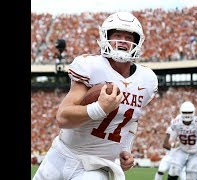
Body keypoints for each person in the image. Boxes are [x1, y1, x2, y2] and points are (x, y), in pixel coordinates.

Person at [33, 11, 158, 180]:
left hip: (97, 167)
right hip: (62, 155)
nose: (122, 41)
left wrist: (126, 149)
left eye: (129, 38)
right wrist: (99, 108)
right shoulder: (91, 66)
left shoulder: (147, 79)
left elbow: (132, 120)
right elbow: (63, 118)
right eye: (117, 35)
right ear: (106, 37)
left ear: (137, 42)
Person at [167, 101, 197, 180]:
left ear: (193, 112)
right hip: (182, 150)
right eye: (185, 112)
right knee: (173, 171)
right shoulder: (177, 123)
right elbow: (172, 139)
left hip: (196, 153)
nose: (187, 114)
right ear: (181, 112)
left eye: (189, 112)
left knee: (191, 176)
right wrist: (173, 144)